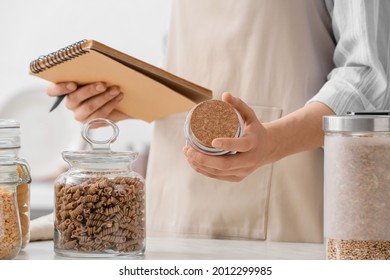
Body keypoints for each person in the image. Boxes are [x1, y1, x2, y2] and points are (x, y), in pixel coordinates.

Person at [46, 0, 390, 243]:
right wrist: (129, 101)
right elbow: (200, 67)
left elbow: (369, 77)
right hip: (176, 195)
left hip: (286, 187)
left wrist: (273, 143)